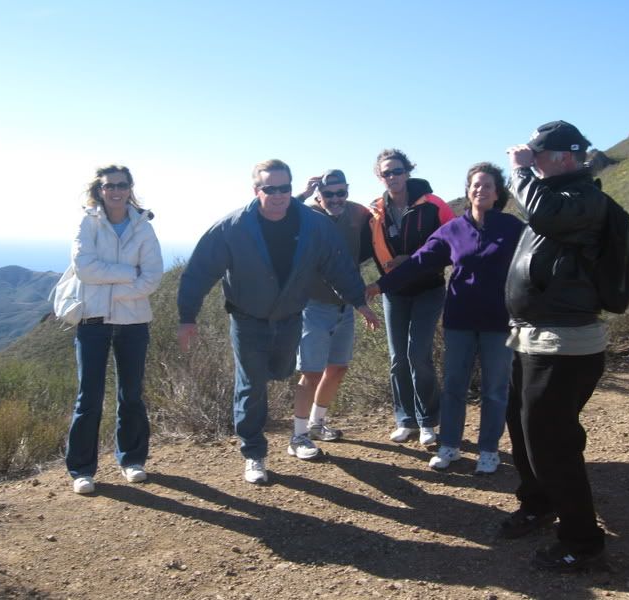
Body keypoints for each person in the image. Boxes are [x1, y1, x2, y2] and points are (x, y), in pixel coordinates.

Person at [177, 159, 380, 484]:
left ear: (292, 188)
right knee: (252, 384)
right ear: (256, 190)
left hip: (289, 318)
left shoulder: (313, 225)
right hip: (248, 319)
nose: (278, 195)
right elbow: (200, 271)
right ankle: (254, 453)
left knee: (283, 370)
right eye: (270, 188)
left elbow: (337, 266)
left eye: (284, 188)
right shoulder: (233, 227)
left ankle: (281, 422)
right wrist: (188, 317)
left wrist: (359, 302)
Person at [502, 121, 610, 571]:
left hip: (564, 343)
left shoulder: (582, 199)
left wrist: (521, 173)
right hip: (534, 338)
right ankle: (539, 501)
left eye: (537, 154)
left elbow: (542, 214)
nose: (529, 158)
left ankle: (582, 541)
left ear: (565, 157)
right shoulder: (562, 196)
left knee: (552, 439)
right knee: (523, 425)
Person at [367, 163, 523, 473]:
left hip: (499, 322)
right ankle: (449, 446)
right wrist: (379, 286)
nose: (480, 190)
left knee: (495, 389)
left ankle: (489, 450)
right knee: (453, 386)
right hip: (460, 320)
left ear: (497, 193)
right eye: (475, 185)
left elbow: (533, 264)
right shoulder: (454, 230)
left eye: (487, 186)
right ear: (468, 191)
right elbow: (419, 261)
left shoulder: (512, 227)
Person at [66, 165, 164, 495]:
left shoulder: (143, 226)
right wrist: (128, 273)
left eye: (122, 185)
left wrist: (117, 291)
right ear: (100, 190)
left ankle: (132, 460)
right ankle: (82, 469)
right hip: (92, 320)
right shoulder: (88, 222)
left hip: (133, 320)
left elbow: (152, 275)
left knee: (131, 394)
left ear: (130, 187)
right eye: (110, 186)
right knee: (89, 397)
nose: (116, 190)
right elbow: (84, 269)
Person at [369, 149, 454, 446]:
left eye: (397, 171)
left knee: (418, 354)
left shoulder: (433, 205)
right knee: (398, 358)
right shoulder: (377, 210)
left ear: (408, 172)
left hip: (428, 289)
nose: (392, 177)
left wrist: (412, 259)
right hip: (395, 293)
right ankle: (405, 420)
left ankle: (428, 420)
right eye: (386, 173)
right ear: (379, 176)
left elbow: (454, 243)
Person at [289, 169, 373, 459]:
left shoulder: (356, 214)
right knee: (310, 372)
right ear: (318, 194)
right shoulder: (307, 215)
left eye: (341, 192)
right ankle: (298, 437)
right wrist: (301, 193)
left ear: (347, 191)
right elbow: (278, 215)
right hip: (314, 305)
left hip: (346, 305)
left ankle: (316, 423)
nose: (335, 199)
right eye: (328, 193)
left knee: (337, 367)